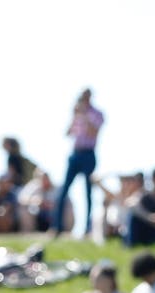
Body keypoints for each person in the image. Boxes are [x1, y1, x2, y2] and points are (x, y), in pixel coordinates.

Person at [53, 88, 104, 236]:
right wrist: (74, 116)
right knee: (64, 190)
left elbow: (93, 132)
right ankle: (57, 227)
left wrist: (85, 115)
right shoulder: (77, 113)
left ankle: (87, 229)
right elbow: (68, 133)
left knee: (88, 192)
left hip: (89, 155)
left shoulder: (97, 114)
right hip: (75, 154)